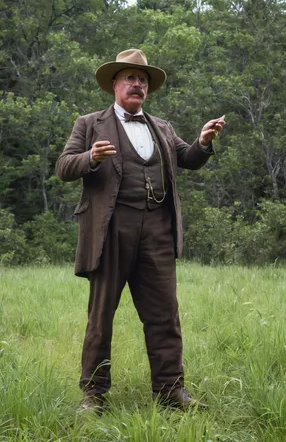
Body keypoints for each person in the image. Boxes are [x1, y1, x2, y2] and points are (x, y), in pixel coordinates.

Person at [56, 49, 225, 413]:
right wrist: (91, 158)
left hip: (158, 231)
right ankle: (93, 395)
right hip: (111, 229)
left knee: (165, 314)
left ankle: (170, 391)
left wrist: (204, 141)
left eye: (143, 80)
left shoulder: (161, 126)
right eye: (130, 78)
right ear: (114, 85)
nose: (137, 84)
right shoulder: (89, 123)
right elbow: (64, 166)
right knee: (101, 316)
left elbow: (189, 159)